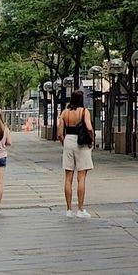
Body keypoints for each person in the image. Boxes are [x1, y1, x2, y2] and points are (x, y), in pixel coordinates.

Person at [58, 88, 93, 219]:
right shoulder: (84, 112)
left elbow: (60, 133)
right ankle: (80, 209)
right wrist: (91, 139)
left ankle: (68, 209)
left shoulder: (65, 113)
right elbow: (88, 127)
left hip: (68, 141)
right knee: (81, 177)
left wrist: (64, 143)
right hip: (81, 143)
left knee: (68, 177)